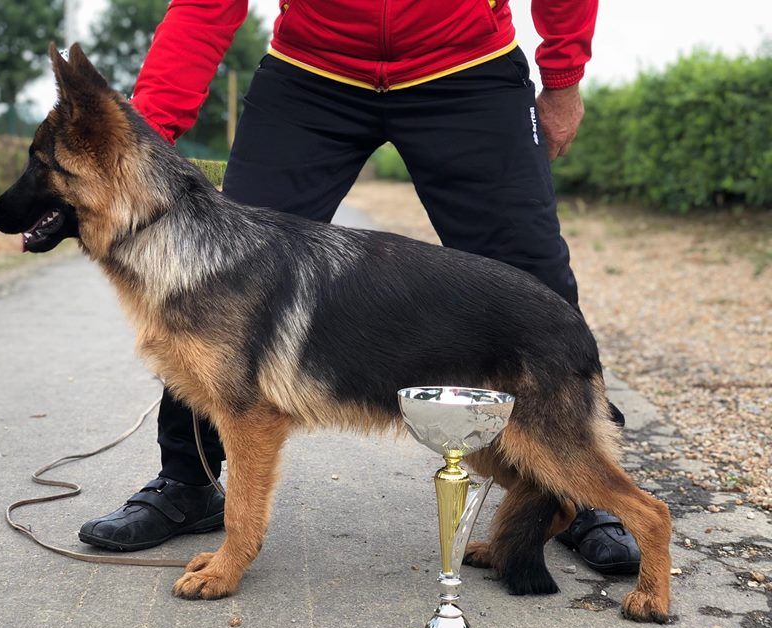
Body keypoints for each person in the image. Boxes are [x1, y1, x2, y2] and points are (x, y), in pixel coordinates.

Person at [78, 0, 641, 577]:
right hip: (314, 68)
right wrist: (146, 135)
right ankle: (188, 480)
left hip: (465, 63)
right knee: (215, 277)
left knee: (535, 276)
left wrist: (563, 78)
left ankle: (584, 492)